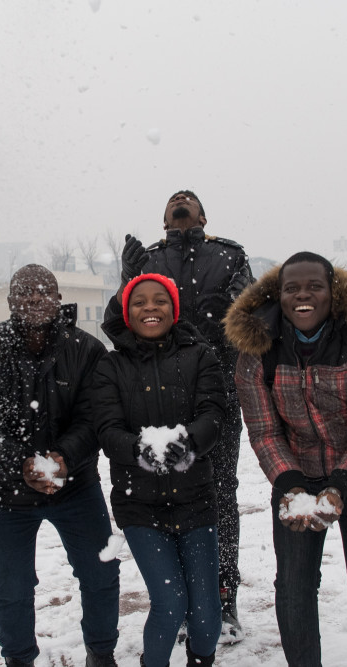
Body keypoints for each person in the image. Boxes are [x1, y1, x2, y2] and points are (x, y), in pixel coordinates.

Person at [225, 252, 347, 666]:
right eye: (291, 288)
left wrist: (341, 485)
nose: (302, 296)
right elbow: (265, 430)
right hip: (296, 475)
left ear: (332, 293)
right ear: (279, 295)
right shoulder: (257, 351)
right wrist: (289, 485)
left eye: (314, 287)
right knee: (292, 586)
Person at [115, 190, 252, 641]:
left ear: (202, 215)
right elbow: (125, 322)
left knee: (220, 494)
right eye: (174, 200)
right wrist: (128, 277)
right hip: (158, 396)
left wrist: (241, 305)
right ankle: (177, 596)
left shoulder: (227, 255)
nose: (181, 203)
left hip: (216, 395)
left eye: (189, 200)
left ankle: (221, 595)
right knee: (165, 494)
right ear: (164, 218)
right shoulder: (149, 259)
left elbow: (248, 320)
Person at [0, 264, 120, 667]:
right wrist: (22, 465)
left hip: (74, 485)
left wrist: (61, 460)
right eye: (24, 291)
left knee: (100, 573)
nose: (34, 297)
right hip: (5, 492)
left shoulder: (87, 348)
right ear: (10, 300)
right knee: (12, 585)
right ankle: (19, 659)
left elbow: (95, 417)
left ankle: (102, 652)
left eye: (44, 291)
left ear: (58, 299)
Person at [93, 273, 225, 667]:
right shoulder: (110, 366)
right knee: (170, 603)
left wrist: (190, 441)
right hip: (140, 506)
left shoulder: (201, 356)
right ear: (128, 313)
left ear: (174, 309)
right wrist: (137, 449)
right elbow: (106, 428)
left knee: (206, 613)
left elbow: (214, 413)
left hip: (195, 500)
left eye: (160, 300)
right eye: (140, 302)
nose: (150, 307)